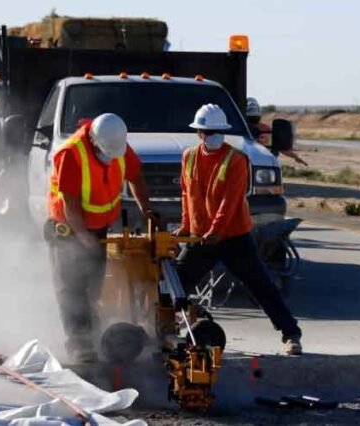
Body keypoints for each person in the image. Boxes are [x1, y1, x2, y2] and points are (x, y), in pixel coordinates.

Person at [173, 103, 303, 355]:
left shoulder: (236, 159)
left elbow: (230, 201)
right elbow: (187, 194)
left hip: (233, 237)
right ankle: (162, 331)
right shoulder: (188, 156)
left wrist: (216, 231)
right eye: (208, 132)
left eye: (217, 131)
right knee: (175, 286)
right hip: (201, 238)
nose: (213, 136)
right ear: (199, 132)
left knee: (261, 286)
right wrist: (187, 225)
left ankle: (291, 335)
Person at [47, 113, 156, 362]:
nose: (110, 159)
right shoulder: (71, 154)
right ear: (94, 141)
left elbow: (136, 176)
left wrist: (146, 208)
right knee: (71, 288)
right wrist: (83, 236)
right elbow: (70, 204)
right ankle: (80, 345)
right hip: (66, 227)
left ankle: (94, 335)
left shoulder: (117, 145)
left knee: (93, 286)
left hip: (98, 227)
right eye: (106, 153)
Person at [246, 97, 308, 166]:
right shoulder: (266, 130)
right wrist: (296, 157)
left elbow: (280, 147)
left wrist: (296, 157)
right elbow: (282, 148)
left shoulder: (264, 130)